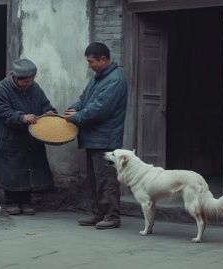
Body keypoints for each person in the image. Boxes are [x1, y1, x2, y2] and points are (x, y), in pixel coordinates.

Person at [64, 42, 128, 229]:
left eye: (91, 61)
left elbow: (99, 109)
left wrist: (77, 117)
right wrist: (73, 109)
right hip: (93, 137)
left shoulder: (115, 80)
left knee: (106, 180)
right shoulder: (98, 78)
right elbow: (84, 99)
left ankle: (112, 216)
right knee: (94, 180)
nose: (89, 65)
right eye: (88, 61)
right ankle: (98, 213)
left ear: (103, 59)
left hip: (106, 139)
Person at [0, 58, 56, 215]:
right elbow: (5, 112)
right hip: (7, 136)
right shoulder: (1, 89)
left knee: (28, 168)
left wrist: (49, 111)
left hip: (29, 136)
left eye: (31, 80)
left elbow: (45, 103)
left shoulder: (35, 88)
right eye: (25, 81)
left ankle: (26, 201)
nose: (28, 84)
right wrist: (22, 117)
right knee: (11, 170)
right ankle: (11, 201)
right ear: (15, 78)